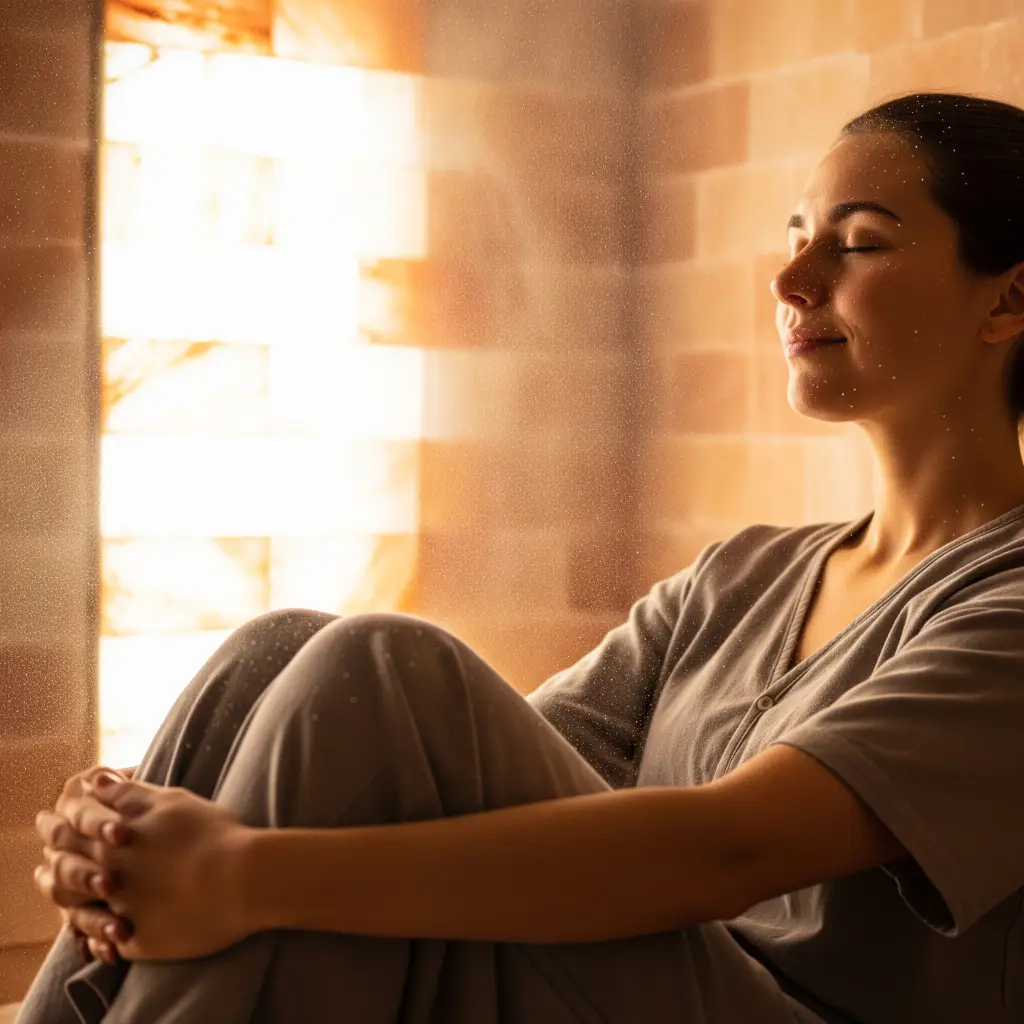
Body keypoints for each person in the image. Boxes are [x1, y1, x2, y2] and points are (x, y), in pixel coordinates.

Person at [17, 90, 1024, 1024]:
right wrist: (128, 854)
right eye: (797, 237)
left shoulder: (1009, 603)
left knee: (383, 668)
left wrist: (239, 873)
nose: (790, 278)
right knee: (274, 651)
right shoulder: (740, 576)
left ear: (1006, 301)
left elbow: (730, 847)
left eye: (857, 244)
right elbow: (453, 778)